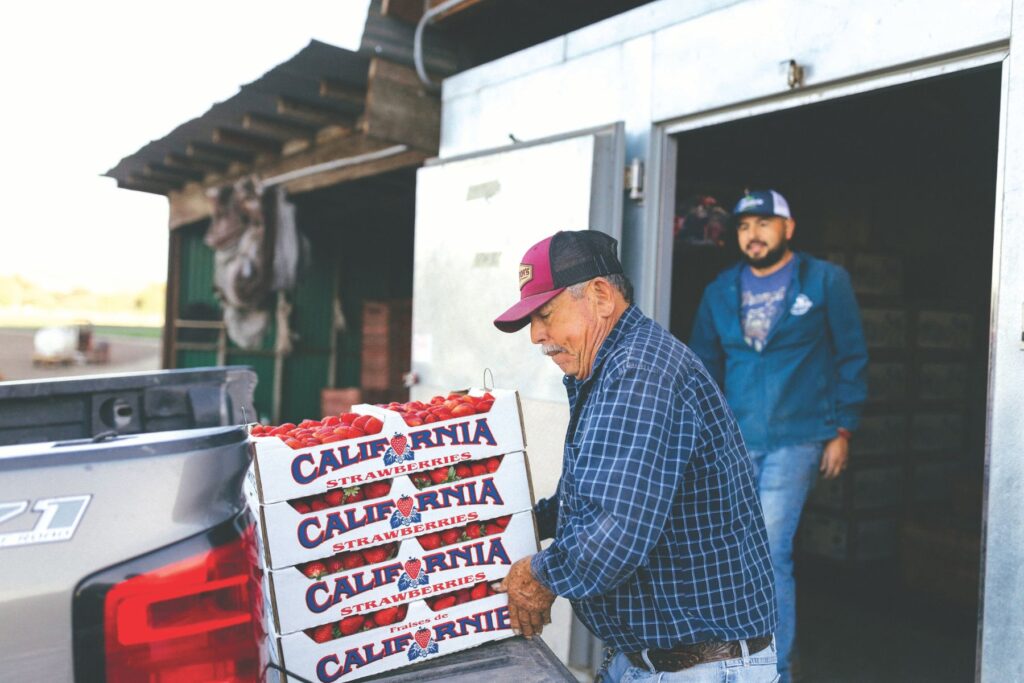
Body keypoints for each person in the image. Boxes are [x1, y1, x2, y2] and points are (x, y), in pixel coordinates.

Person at [492, 230, 779, 683]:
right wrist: (510, 525)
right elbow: (582, 499)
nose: (536, 336)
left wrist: (539, 577)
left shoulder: (640, 373)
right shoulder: (609, 369)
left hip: (700, 669)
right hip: (653, 660)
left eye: (545, 315)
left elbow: (617, 530)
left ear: (601, 297)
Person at [689, 190, 868, 683]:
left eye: (765, 223)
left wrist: (843, 429)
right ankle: (728, 662)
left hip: (799, 437)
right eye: (745, 226)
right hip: (736, 439)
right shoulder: (720, 290)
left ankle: (774, 670)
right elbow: (703, 366)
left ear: (789, 228)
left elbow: (851, 356)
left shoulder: (825, 280)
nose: (754, 234)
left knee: (769, 548)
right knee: (727, 549)